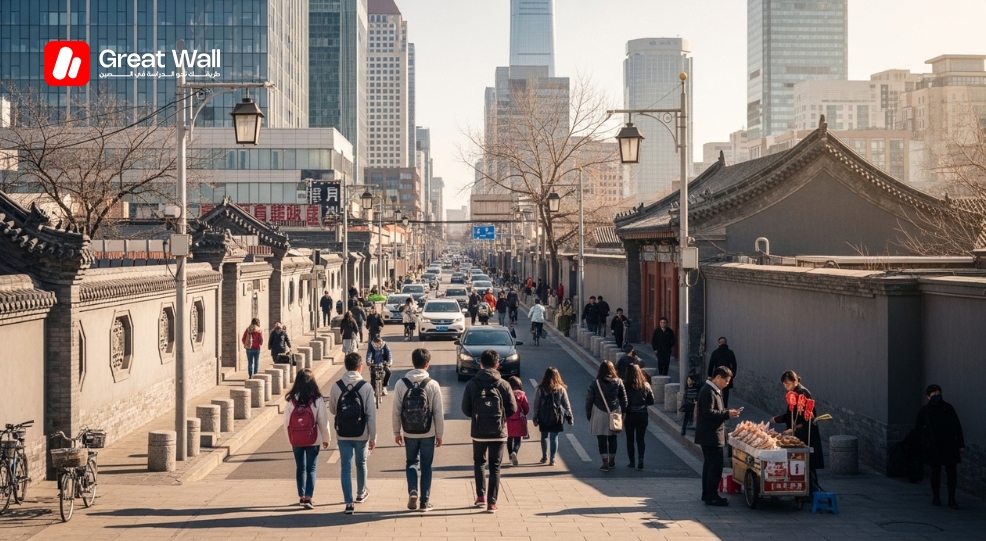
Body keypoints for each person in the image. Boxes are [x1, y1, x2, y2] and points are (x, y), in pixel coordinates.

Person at [461, 350, 518, 513]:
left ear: (480, 364)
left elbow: (465, 408)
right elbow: (513, 408)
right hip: (499, 432)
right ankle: (492, 503)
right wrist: (500, 418)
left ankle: (480, 496)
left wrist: (476, 416)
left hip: (478, 432)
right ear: (497, 364)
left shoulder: (472, 383)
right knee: (495, 466)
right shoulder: (504, 384)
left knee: (479, 462)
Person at [392, 348, 445, 512]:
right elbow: (438, 412)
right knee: (427, 465)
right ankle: (424, 502)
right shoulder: (433, 384)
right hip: (428, 432)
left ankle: (413, 489)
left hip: (409, 431)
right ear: (427, 364)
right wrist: (439, 434)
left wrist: (396, 432)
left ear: (413, 362)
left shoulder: (401, 383)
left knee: (411, 463)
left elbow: (396, 410)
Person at [328, 352, 377, 515]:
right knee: (361, 463)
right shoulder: (366, 387)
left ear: (346, 366)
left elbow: (333, 409)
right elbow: (371, 414)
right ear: (360, 367)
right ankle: (361, 493)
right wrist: (372, 437)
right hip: (361, 432)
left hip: (343, 433)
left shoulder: (337, 386)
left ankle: (348, 503)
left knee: (345, 467)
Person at [770, 370, 825, 494]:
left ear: (795, 381)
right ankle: (806, 490)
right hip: (797, 431)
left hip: (805, 432)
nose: (786, 387)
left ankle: (812, 491)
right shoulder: (793, 393)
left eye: (788, 384)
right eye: (784, 385)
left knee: (807, 463)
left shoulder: (802, 393)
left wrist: (794, 429)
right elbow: (791, 414)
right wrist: (778, 419)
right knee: (802, 463)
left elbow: (806, 418)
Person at [284, 368, 331, 509]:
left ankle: (302, 496)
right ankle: (309, 497)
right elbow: (323, 421)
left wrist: (290, 439)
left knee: (300, 467)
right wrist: (326, 438)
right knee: (311, 468)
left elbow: (286, 422)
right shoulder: (316, 400)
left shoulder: (292, 400)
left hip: (296, 439)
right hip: (313, 438)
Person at [696, 366, 742, 506]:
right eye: (726, 381)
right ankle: (712, 496)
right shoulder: (708, 391)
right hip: (711, 435)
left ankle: (707, 494)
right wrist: (726, 414)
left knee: (709, 466)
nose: (727, 384)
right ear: (718, 378)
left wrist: (727, 412)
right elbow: (708, 413)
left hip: (710, 434)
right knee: (715, 467)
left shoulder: (713, 390)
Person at [915, 384, 965, 509]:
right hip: (933, 445)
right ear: (928, 397)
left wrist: (960, 443)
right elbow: (918, 429)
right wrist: (924, 443)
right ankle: (936, 497)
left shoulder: (948, 408)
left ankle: (951, 499)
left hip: (949, 444)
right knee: (935, 472)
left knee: (951, 472)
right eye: (934, 395)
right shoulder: (924, 411)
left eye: (938, 394)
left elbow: (956, 426)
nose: (937, 397)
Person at [585, 360, 628, 472]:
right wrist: (623, 412)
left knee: (601, 438)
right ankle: (612, 460)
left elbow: (589, 400)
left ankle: (604, 462)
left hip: (599, 412)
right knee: (613, 437)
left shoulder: (595, 383)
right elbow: (624, 399)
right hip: (615, 412)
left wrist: (589, 413)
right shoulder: (618, 382)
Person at [532, 367, 574, 465]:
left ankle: (544, 457)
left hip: (543, 416)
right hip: (557, 416)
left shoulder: (540, 389)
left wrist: (535, 416)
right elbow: (566, 404)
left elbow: (536, 404)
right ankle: (553, 459)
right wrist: (570, 417)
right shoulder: (561, 389)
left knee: (544, 436)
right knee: (554, 438)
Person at [623, 364, 655, 469]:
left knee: (630, 439)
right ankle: (641, 459)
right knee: (640, 439)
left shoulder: (625, 384)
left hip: (630, 414)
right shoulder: (645, 385)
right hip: (642, 413)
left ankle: (632, 462)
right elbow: (652, 401)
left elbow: (622, 400)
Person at [505, 376, 530, 467]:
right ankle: (515, 452)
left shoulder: (506, 394)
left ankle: (510, 455)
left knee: (509, 438)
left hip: (508, 420)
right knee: (517, 440)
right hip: (518, 420)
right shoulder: (521, 394)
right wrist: (524, 413)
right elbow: (526, 408)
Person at [707, 337, 737, 407]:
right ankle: (724, 405)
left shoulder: (715, 352)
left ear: (719, 343)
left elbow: (711, 364)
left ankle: (718, 405)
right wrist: (733, 374)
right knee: (726, 391)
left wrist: (710, 375)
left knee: (716, 390)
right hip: (727, 374)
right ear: (726, 343)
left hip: (718, 375)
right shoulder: (730, 352)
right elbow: (734, 364)